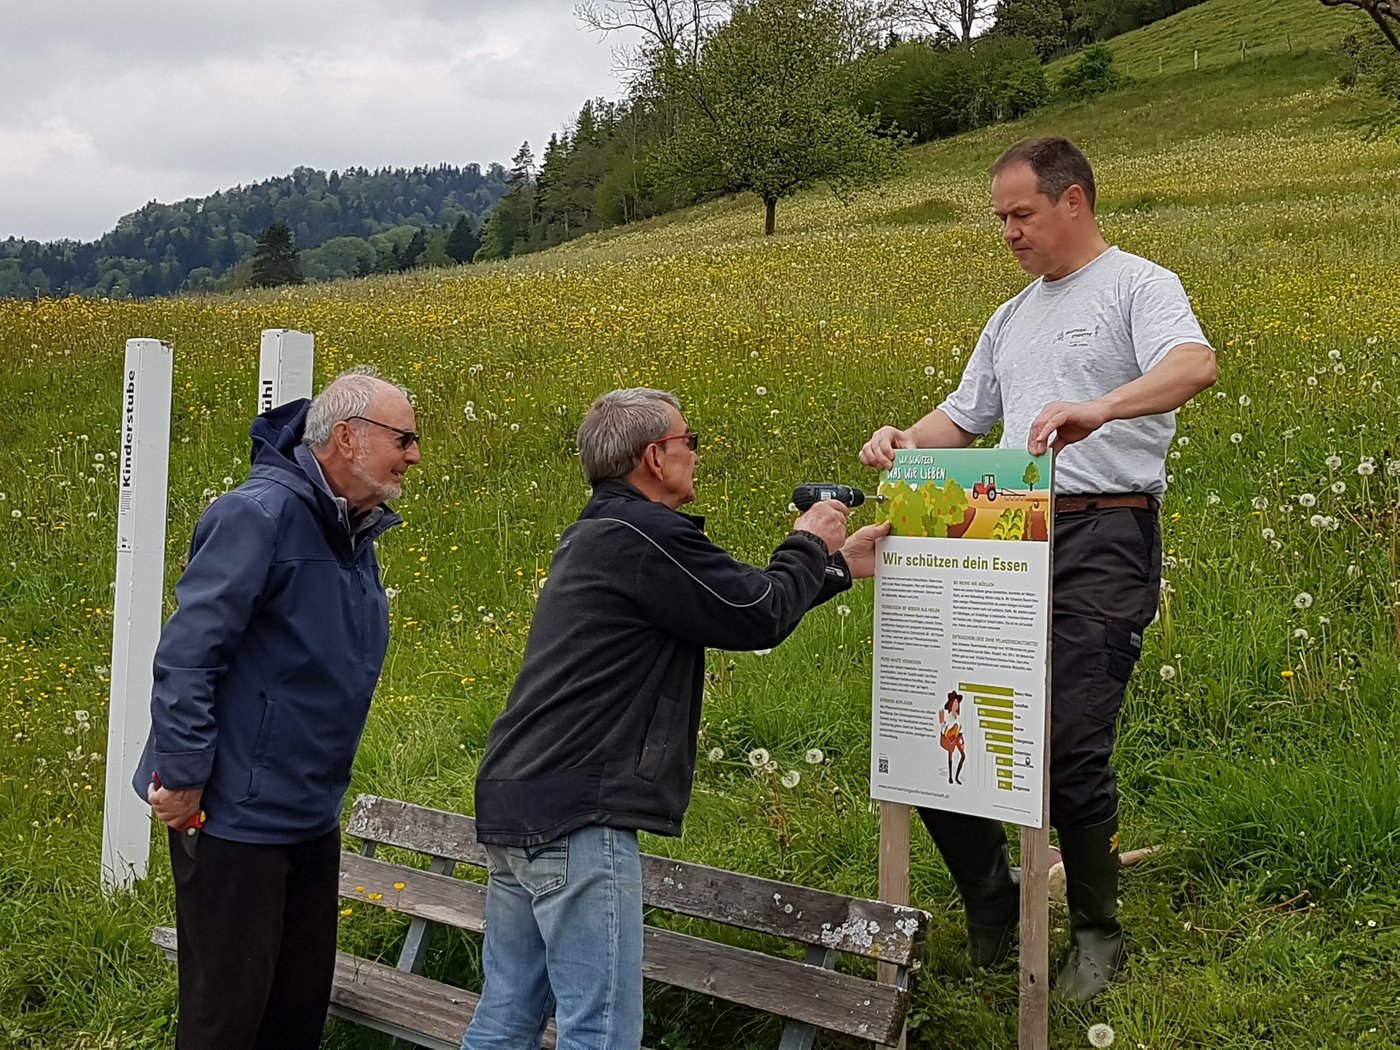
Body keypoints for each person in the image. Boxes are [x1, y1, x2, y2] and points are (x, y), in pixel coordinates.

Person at [860, 136, 1217, 1000]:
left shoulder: (1141, 284)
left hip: (1105, 532)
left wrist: (1103, 406)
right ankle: (994, 899)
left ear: (1073, 202)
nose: (1009, 233)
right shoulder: (1013, 315)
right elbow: (964, 415)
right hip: (1001, 534)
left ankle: (1098, 932)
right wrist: (905, 442)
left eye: (1021, 214)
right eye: (1000, 219)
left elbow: (1194, 364)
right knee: (939, 723)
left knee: (1068, 744)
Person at [462, 388, 889, 1050]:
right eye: (690, 442)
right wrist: (809, 542)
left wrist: (834, 568)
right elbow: (755, 614)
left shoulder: (602, 532)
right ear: (655, 456)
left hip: (520, 798)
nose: (696, 455)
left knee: (508, 1013)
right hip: (579, 814)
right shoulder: (645, 535)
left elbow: (727, 603)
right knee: (599, 1031)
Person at [133, 370, 422, 1048]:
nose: (413, 455)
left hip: (309, 816)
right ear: (347, 437)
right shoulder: (257, 514)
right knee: (228, 1022)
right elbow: (189, 655)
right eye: (404, 438)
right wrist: (181, 774)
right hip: (237, 819)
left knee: (295, 1017)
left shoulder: (353, 529)